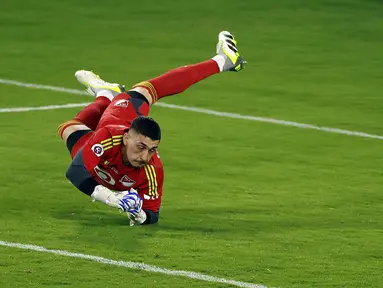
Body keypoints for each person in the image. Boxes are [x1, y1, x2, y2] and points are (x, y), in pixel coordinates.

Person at [58, 31, 245, 226]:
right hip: (122, 114)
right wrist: (113, 199)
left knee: (69, 128)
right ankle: (222, 61)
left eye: (152, 150)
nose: (145, 157)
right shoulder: (108, 137)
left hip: (106, 170)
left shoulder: (153, 167)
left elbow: (152, 214)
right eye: (140, 147)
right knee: (146, 90)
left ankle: (106, 93)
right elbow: (76, 172)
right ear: (126, 139)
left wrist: (139, 215)